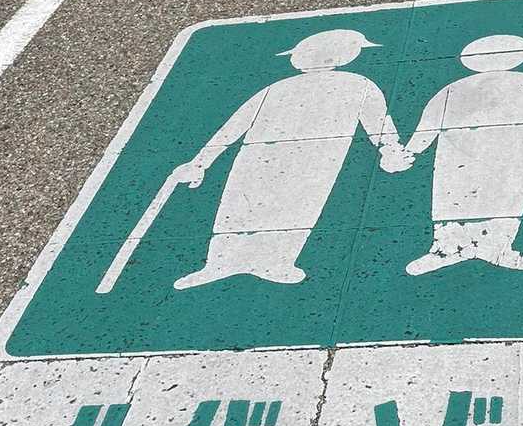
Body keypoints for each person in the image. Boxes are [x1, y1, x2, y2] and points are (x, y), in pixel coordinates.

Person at [172, 29, 409, 288]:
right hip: (271, 155)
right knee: (248, 203)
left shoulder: (355, 84)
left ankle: (272, 262)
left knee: (294, 206)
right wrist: (200, 162)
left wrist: (390, 149)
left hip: (312, 156)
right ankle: (222, 263)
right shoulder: (347, 84)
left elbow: (378, 121)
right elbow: (235, 126)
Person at [387, 33, 523, 275]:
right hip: (483, 155)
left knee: (490, 197)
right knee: (483, 197)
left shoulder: (462, 88)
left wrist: (410, 152)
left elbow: (426, 128)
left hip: (498, 154)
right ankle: (452, 248)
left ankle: (488, 248)